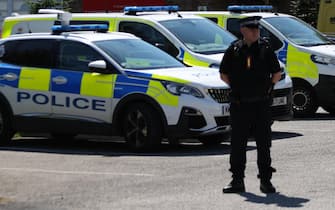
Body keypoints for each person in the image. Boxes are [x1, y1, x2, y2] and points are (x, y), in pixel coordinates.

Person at [219, 16, 282, 194]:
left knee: (264, 143)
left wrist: (268, 87)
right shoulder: (234, 49)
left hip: (261, 104)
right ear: (243, 31)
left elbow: (276, 73)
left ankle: (266, 181)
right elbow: (223, 73)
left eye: (257, 30)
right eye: (252, 30)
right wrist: (237, 88)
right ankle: (237, 180)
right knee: (238, 144)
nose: (256, 32)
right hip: (240, 104)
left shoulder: (265, 48)